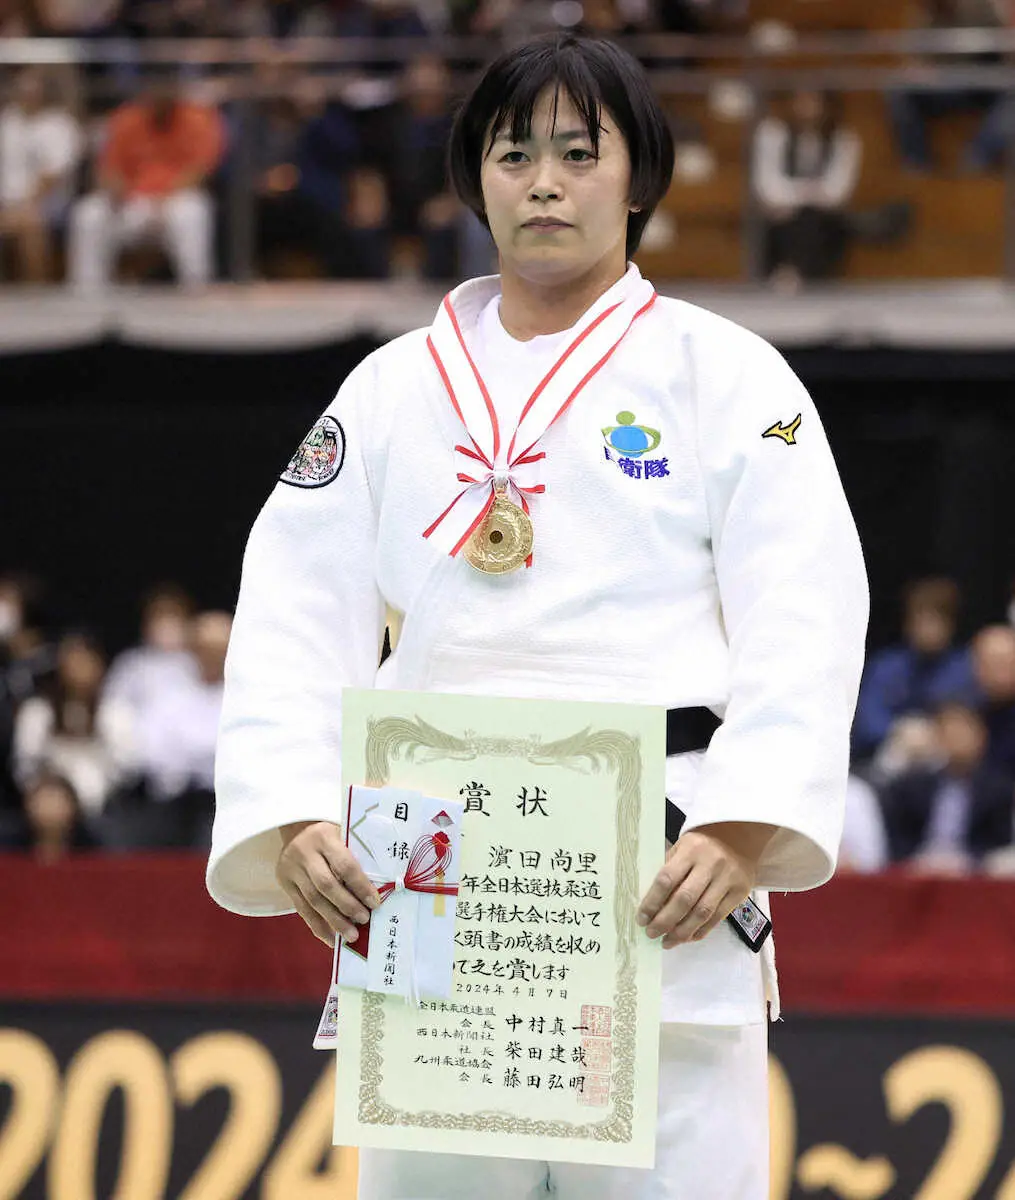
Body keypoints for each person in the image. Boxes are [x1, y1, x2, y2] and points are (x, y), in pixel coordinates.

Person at [207, 33, 868, 1200]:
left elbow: (807, 612)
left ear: (639, 179)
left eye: (578, 151)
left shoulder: (733, 378)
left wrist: (741, 824)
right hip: (432, 871)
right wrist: (295, 808)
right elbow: (290, 611)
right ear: (475, 181)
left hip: (660, 868)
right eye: (514, 155)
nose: (546, 181)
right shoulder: (391, 387)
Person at [67, 74, 225, 291]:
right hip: (133, 202)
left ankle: (195, 288)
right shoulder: (126, 118)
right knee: (89, 213)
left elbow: (200, 169)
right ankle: (88, 290)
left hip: (174, 200)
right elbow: (108, 169)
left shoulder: (196, 118)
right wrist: (115, 189)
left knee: (191, 212)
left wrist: (164, 199)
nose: (159, 97)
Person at [880, 701, 1014, 872]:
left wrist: (968, 862)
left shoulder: (999, 790)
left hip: (973, 875)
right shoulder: (912, 786)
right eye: (949, 732)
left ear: (981, 736)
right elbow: (898, 841)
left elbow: (999, 844)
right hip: (919, 872)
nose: (956, 739)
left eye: (963, 732)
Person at [853, 577, 973, 762]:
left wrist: (934, 735)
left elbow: (969, 725)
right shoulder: (886, 665)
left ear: (950, 625)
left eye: (935, 622)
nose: (928, 630)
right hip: (890, 757)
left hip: (944, 760)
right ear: (908, 624)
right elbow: (868, 720)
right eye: (922, 622)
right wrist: (900, 732)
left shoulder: (964, 668)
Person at [888, 0, 1015, 174]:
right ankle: (918, 168)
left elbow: (1004, 47)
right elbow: (915, 63)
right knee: (898, 90)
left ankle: (977, 160)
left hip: (987, 83)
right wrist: (920, 72)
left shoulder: (980, 6)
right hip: (947, 85)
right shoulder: (922, 15)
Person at [0, 65, 82, 282]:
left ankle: (37, 291)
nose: (25, 91)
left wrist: (24, 204)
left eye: (32, 86)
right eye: (21, 86)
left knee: (30, 222)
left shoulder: (60, 124)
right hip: (6, 199)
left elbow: (52, 176)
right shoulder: (8, 120)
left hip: (48, 201)